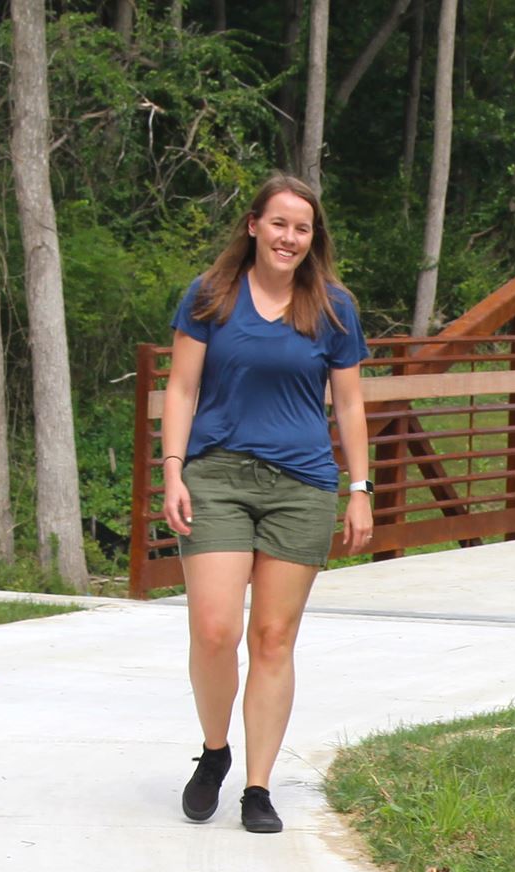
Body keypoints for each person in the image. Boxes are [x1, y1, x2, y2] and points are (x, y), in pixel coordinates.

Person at [159, 173, 373, 834]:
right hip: (216, 476)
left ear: (313, 238)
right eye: (279, 223)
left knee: (273, 638)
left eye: (302, 228)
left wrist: (360, 488)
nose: (289, 237)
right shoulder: (210, 295)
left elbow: (349, 404)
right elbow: (181, 388)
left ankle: (257, 787)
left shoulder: (333, 308)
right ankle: (214, 751)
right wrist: (173, 470)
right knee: (215, 629)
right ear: (253, 225)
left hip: (301, 486)